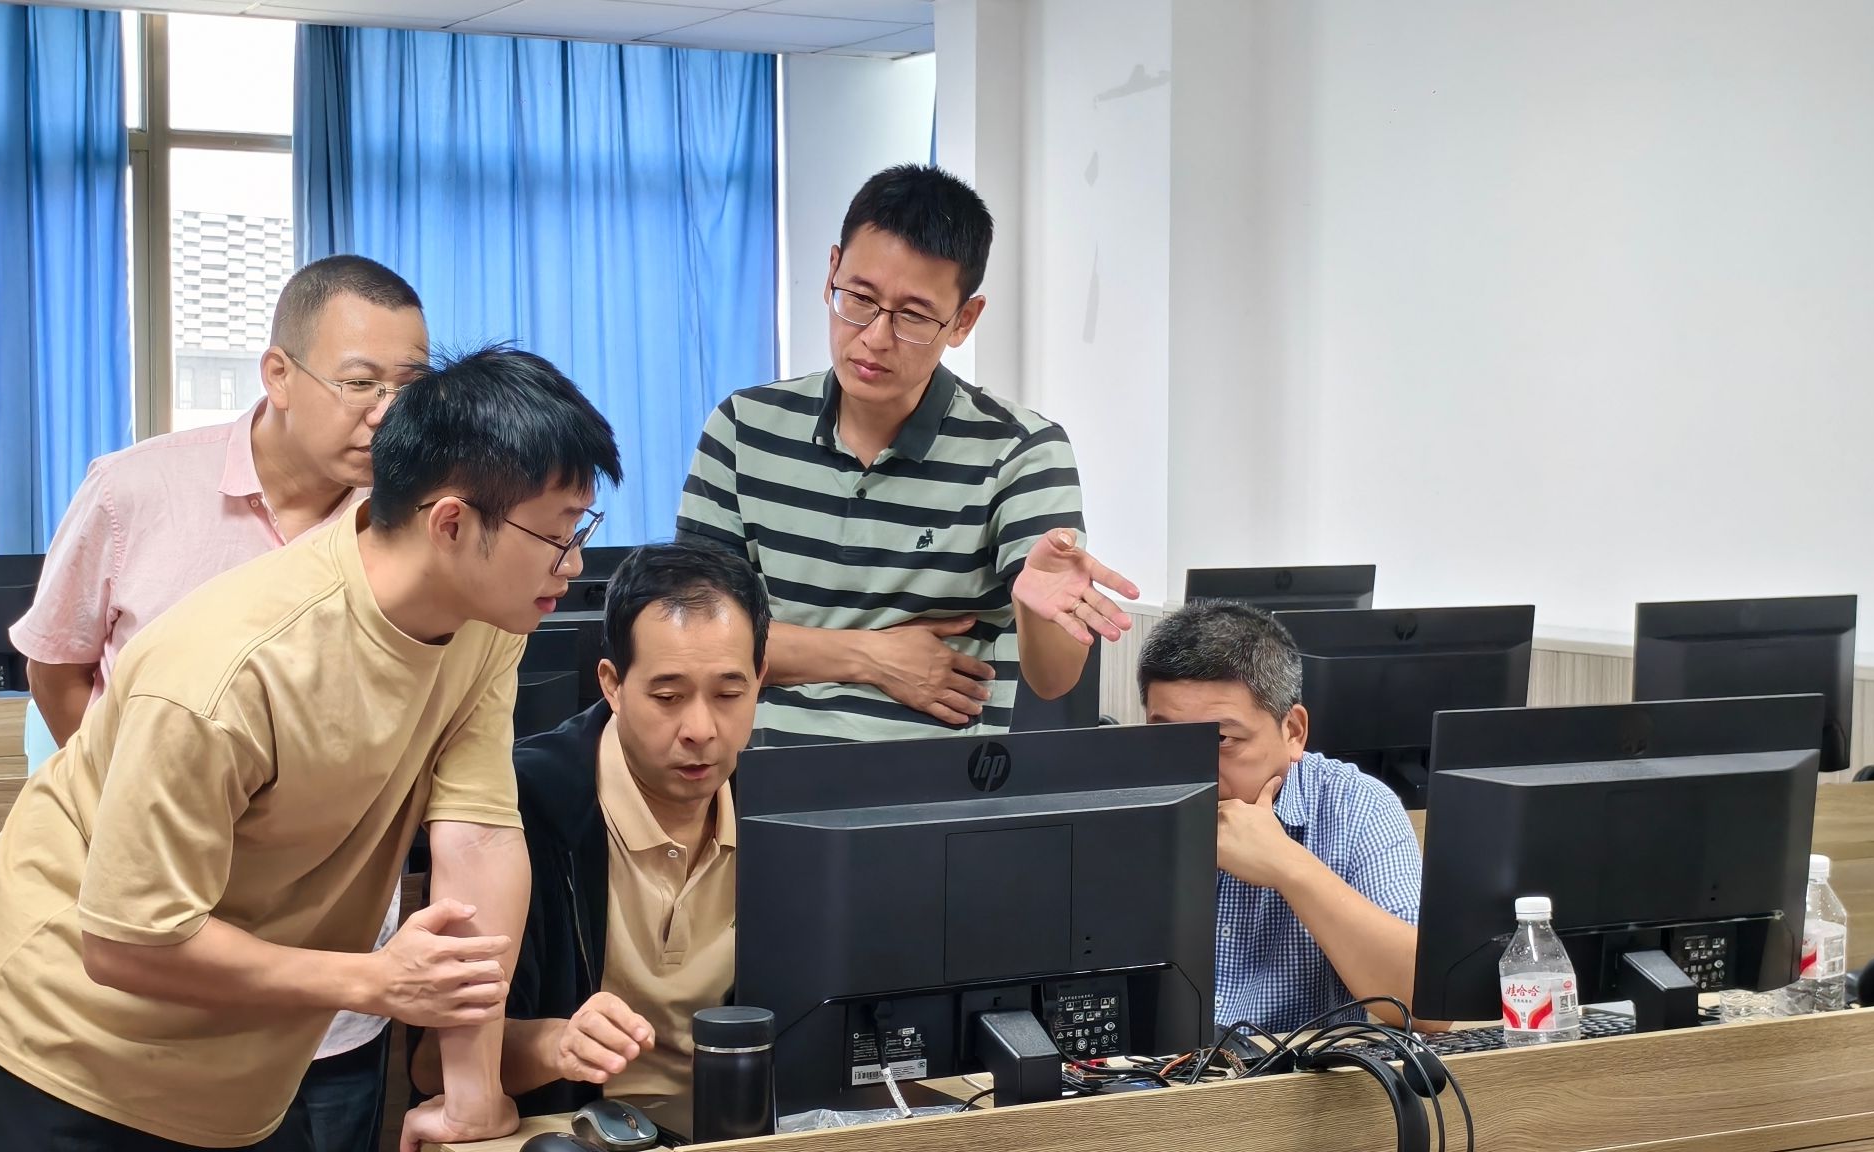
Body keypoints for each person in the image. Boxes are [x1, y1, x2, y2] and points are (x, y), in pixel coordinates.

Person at [0, 345, 622, 1152]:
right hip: (50, 1040)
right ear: (452, 524)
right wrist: (374, 980)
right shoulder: (230, 671)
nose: (574, 564)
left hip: (231, 1070)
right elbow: (126, 942)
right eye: (557, 534)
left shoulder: (482, 621)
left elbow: (479, 837)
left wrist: (471, 1095)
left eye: (581, 528)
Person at [7, 253, 429, 1150]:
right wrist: (133, 805)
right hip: (149, 976)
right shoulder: (134, 491)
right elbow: (55, 665)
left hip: (331, 988)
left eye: (411, 386)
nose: (388, 412)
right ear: (278, 373)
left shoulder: (411, 525)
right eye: (361, 383)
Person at [677, 164, 1139, 747]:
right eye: (859, 298)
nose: (874, 337)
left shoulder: (1022, 451)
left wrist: (1036, 608)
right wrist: (874, 657)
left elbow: (1054, 681)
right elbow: (693, 639)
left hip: (933, 789)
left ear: (963, 320)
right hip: (752, 776)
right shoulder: (743, 428)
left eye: (914, 316)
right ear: (830, 272)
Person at [413, 542, 769, 1115]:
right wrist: (556, 1044)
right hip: (579, 1131)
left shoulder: (792, 811)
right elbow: (432, 1063)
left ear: (760, 681)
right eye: (668, 696)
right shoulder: (520, 805)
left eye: (730, 694)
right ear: (612, 684)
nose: (701, 729)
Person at [1137, 599, 1427, 1034]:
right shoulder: (1123, 807)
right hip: (1142, 1073)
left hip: (1299, 1075)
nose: (1192, 767)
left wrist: (1287, 865)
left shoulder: (1355, 806)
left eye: (1221, 739)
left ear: (1293, 731)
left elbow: (1426, 1008)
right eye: (1166, 737)